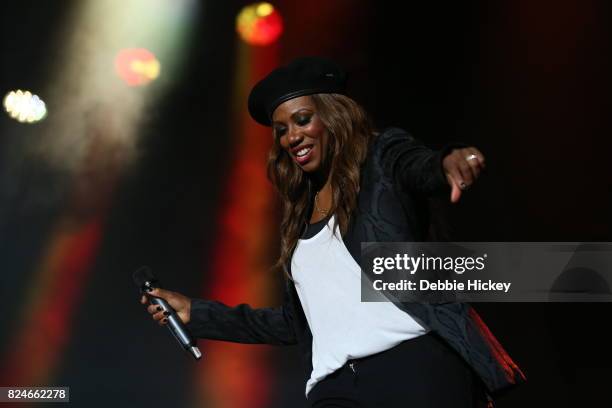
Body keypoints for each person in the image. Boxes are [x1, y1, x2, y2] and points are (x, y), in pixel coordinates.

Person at [140, 57, 525, 407]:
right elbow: (297, 322)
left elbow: (419, 165)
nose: (291, 137)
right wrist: (197, 313)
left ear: (334, 117)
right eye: (282, 130)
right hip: (334, 388)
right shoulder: (299, 214)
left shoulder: (381, 162)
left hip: (414, 367)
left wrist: (448, 162)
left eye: (303, 119)